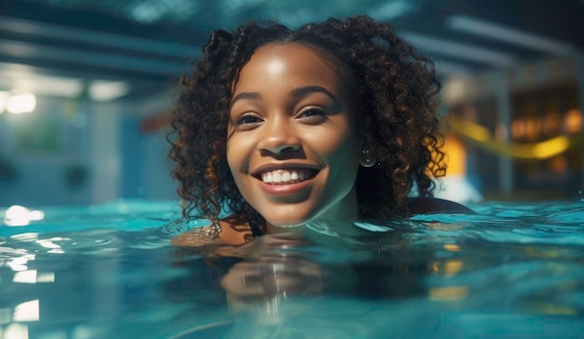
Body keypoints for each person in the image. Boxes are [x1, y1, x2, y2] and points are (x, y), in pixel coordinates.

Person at [167, 15, 472, 246]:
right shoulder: (207, 249)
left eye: (310, 113)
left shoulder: (439, 227)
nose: (275, 140)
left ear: (367, 140)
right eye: (248, 119)